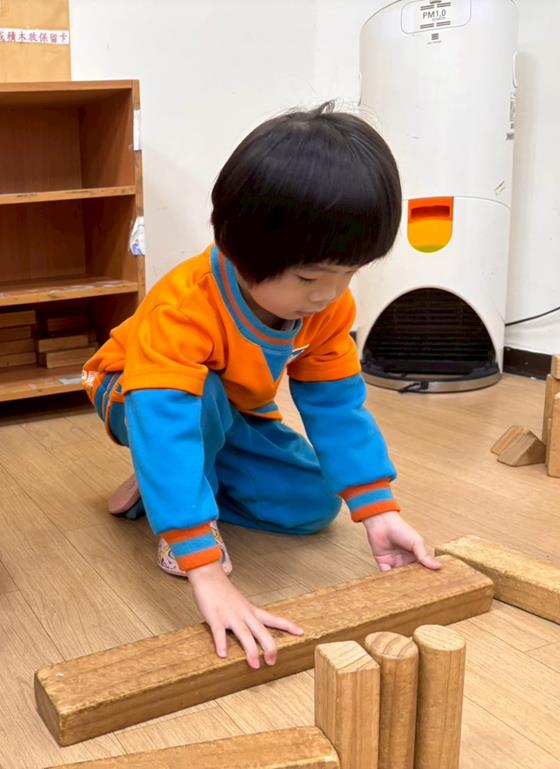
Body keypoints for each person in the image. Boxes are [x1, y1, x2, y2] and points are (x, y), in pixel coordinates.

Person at [82, 103, 441, 670]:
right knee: (197, 402)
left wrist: (378, 511)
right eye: (309, 277)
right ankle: (179, 500)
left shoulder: (327, 307)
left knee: (314, 504)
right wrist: (203, 567)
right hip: (133, 393)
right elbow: (166, 417)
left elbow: (337, 406)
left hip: (231, 407)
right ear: (238, 249)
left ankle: (167, 484)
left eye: (350, 272)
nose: (328, 294)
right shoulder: (184, 307)